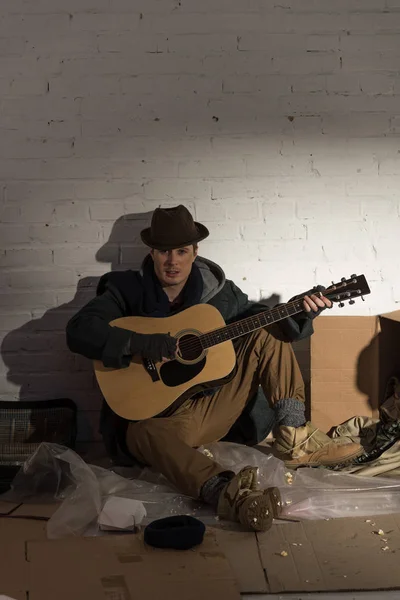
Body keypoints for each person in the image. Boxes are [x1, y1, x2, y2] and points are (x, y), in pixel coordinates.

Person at [66, 205, 362, 531]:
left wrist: (299, 313)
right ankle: (228, 491)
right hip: (160, 422)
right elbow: (80, 330)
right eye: (164, 251)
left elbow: (268, 330)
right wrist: (141, 343)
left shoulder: (221, 294)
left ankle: (294, 435)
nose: (172, 261)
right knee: (140, 433)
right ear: (152, 252)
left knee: (266, 327)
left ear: (195, 251)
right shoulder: (126, 290)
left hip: (213, 407)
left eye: (181, 250)